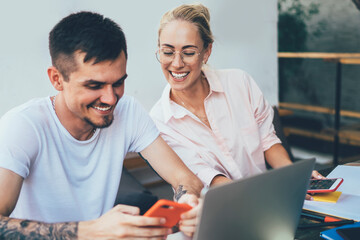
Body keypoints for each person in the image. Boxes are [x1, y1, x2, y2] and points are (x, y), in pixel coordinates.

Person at [0, 11, 203, 239]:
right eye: (94, 85)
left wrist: (188, 200)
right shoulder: (22, 126)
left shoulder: (128, 111)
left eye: (118, 83)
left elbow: (186, 179)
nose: (110, 98)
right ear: (57, 79)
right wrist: (91, 230)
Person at [150, 3, 324, 195]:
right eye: (167, 52)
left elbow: (268, 141)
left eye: (189, 52)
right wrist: (256, 196)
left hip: (263, 199)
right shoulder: (159, 121)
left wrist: (294, 177)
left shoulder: (240, 83)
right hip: (211, 212)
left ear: (207, 52)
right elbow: (207, 176)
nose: (176, 63)